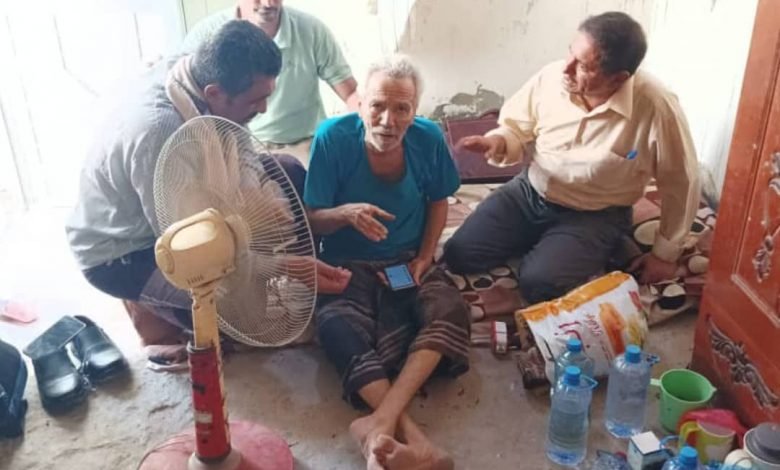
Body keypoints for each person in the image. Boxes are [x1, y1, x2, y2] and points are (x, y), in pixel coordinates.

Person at [65, 20, 351, 352]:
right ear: (214, 93)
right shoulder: (160, 132)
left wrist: (258, 196)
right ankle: (149, 310)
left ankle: (162, 304)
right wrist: (281, 267)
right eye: (256, 100)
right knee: (249, 319)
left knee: (285, 170)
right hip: (126, 250)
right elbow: (194, 248)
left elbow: (241, 142)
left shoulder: (196, 73)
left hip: (172, 201)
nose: (264, 109)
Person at [443, 11, 700, 304]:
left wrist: (665, 255)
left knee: (538, 284)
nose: (566, 69)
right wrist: (496, 142)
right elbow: (515, 128)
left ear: (619, 78)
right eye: (570, 53)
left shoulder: (656, 106)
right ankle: (555, 244)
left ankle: (591, 243)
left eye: (583, 66)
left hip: (594, 213)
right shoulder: (552, 77)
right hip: (529, 192)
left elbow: (683, 181)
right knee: (459, 254)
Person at [304, 55, 466, 470]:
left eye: (402, 109)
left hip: (406, 258)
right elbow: (312, 218)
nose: (388, 121)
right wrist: (344, 214)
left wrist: (426, 256)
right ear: (360, 104)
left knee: (449, 308)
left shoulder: (428, 139)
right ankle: (413, 437)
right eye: (377, 105)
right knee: (335, 326)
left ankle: (377, 424)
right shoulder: (331, 138)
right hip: (345, 261)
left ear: (416, 111)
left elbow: (439, 200)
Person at [180, 0, 359, 165]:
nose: (269, 3)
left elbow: (351, 93)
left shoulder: (311, 30)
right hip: (241, 146)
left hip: (306, 145)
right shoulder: (206, 36)